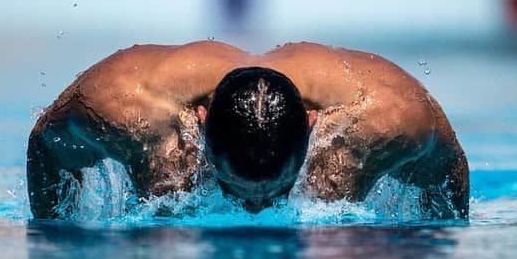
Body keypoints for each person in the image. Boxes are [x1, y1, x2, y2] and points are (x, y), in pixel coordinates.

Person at [27, 41, 468, 219]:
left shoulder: (383, 121)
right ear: (199, 122)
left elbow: (448, 171)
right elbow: (45, 146)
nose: (256, 208)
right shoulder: (125, 111)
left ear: (314, 127)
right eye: (235, 189)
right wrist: (61, 233)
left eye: (278, 192)